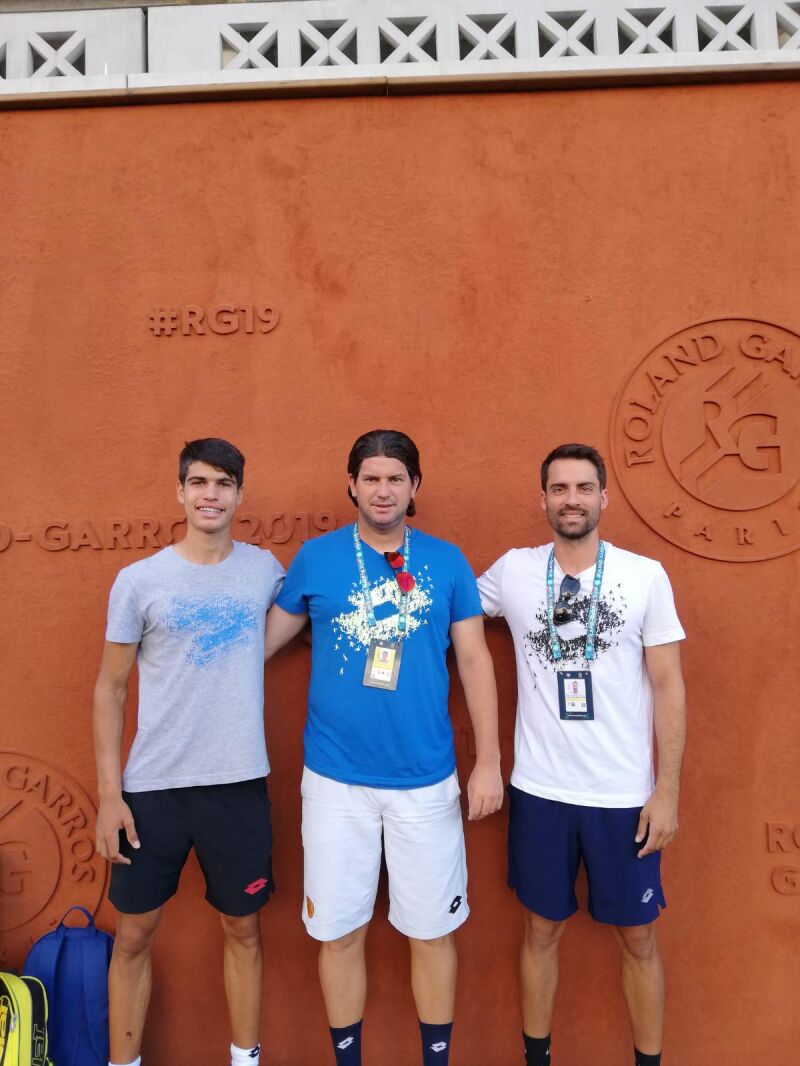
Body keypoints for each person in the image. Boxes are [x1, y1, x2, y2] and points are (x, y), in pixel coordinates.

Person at [264, 429, 503, 1066]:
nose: (383, 489)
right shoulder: (316, 559)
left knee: (431, 932)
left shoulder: (447, 561)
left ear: (415, 487)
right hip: (336, 782)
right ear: (351, 485)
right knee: (339, 933)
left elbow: (476, 662)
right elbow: (260, 645)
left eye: (396, 478)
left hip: (426, 780)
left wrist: (489, 764)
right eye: (370, 477)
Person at [477, 443, 686, 1066]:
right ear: (542, 498)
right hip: (540, 790)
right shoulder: (513, 570)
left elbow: (670, 684)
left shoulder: (644, 575)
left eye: (584, 488)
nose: (572, 499)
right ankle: (535, 1057)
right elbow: (445, 609)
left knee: (639, 939)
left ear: (603, 498)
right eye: (560, 489)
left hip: (622, 796)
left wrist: (667, 789)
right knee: (540, 930)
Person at [93, 438, 285, 1066]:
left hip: (237, 784)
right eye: (199, 482)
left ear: (239, 494)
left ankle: (244, 1058)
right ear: (179, 492)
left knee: (244, 929)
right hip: (153, 789)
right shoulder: (140, 581)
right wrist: (108, 798)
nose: (211, 495)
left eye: (224, 483)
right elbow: (110, 689)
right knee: (134, 934)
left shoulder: (264, 571)